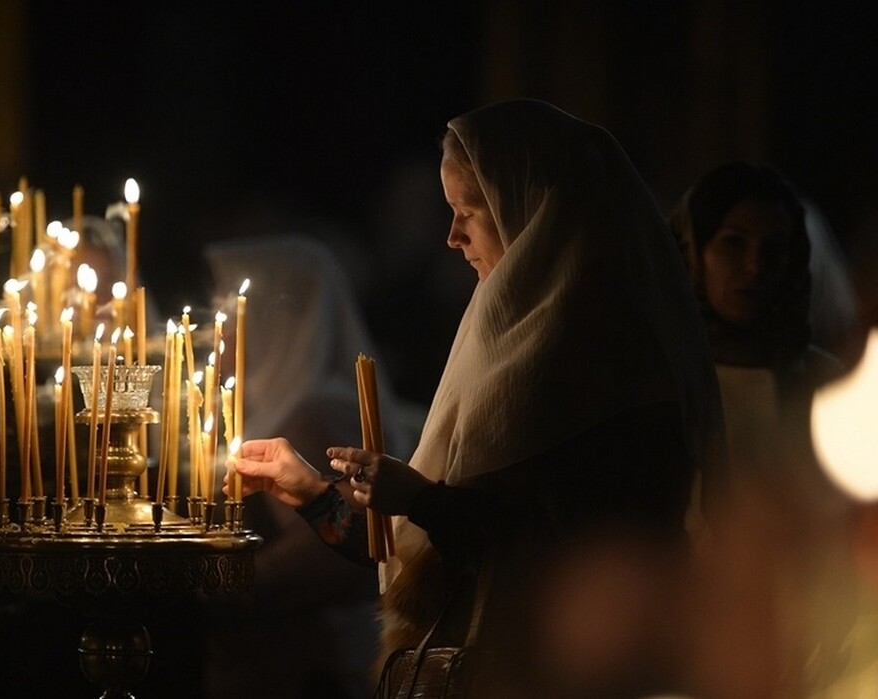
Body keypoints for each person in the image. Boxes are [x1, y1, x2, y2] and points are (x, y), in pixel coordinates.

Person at [229, 98, 725, 698]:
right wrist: (310, 491)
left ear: (534, 210)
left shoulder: (612, 354)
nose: (451, 235)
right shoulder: (504, 335)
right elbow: (422, 558)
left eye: (470, 210)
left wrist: (422, 499)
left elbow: (579, 554)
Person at [200, 234, 413, 699]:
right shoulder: (285, 404)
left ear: (277, 318)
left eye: (229, 312)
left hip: (316, 670)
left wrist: (210, 585)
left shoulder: (319, 410)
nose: (216, 331)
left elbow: (329, 561)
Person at [668, 162, 846, 505]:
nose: (755, 265)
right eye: (733, 243)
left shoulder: (828, 382)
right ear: (692, 253)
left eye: (774, 248)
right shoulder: (666, 380)